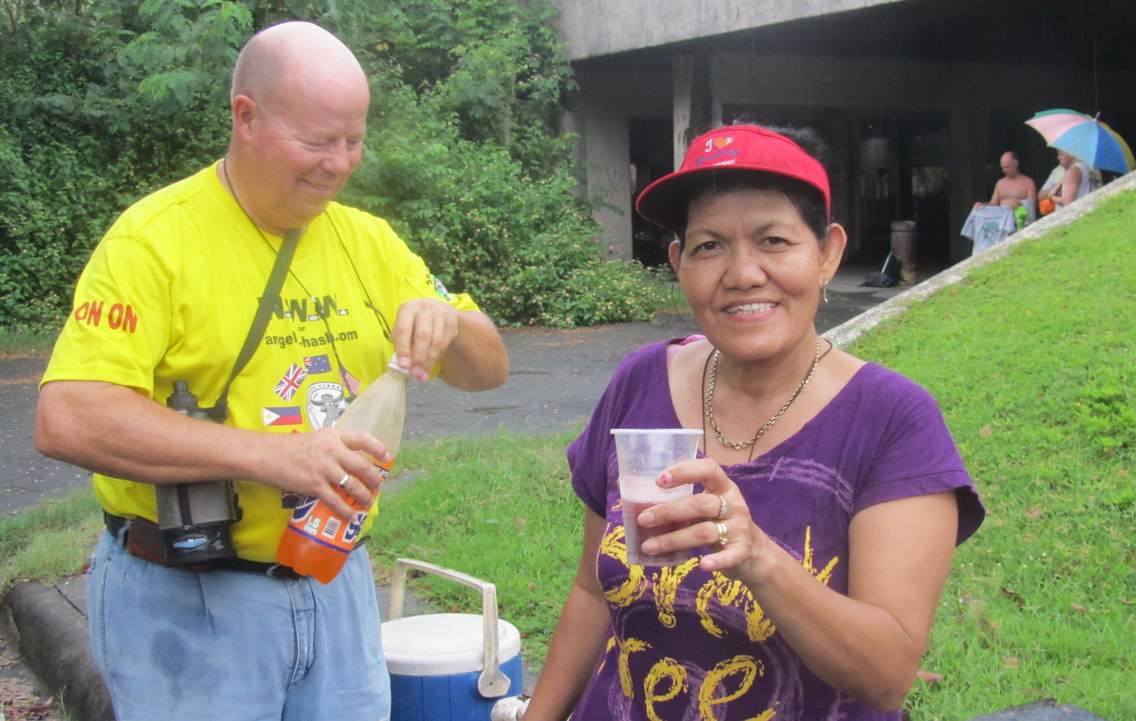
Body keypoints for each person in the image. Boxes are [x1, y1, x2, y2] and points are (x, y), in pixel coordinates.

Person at [33, 21, 508, 720]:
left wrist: (452, 324)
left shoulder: (369, 241)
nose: (340, 164)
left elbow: (489, 369)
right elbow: (68, 416)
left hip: (336, 581)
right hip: (187, 599)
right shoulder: (153, 242)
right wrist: (276, 456)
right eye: (317, 141)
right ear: (246, 117)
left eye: (353, 140)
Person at [522, 124, 984, 721]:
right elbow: (591, 590)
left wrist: (760, 559)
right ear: (678, 263)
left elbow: (888, 675)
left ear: (827, 253)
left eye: (773, 240)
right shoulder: (640, 382)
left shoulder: (893, 420)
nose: (742, 273)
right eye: (709, 246)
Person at [973, 151, 1038, 229]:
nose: (1005, 170)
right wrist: (982, 205)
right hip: (1002, 223)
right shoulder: (1000, 183)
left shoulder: (1028, 182)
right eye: (1002, 168)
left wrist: (1020, 203)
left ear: (1016, 163)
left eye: (1007, 167)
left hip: (1020, 222)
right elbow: (993, 203)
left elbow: (1032, 204)